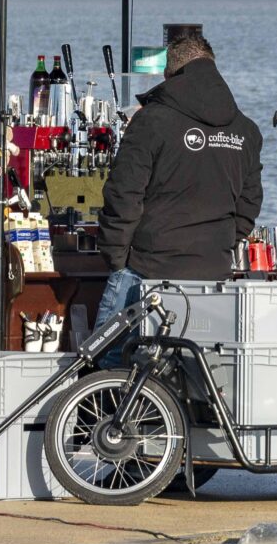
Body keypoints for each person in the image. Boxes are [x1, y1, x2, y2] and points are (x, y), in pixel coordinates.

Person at [93, 25, 263, 356]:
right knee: (187, 369)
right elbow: (250, 204)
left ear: (172, 75)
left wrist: (117, 258)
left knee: (101, 365)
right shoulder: (246, 132)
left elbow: (123, 194)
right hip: (213, 274)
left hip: (147, 270)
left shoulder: (151, 121)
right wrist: (224, 242)